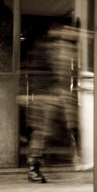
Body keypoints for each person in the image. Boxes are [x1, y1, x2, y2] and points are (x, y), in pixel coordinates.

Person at [26, 23, 78, 182]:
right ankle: (34, 167)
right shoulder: (48, 48)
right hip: (47, 96)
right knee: (43, 132)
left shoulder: (66, 49)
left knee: (67, 127)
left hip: (58, 94)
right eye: (68, 30)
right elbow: (40, 72)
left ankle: (38, 164)